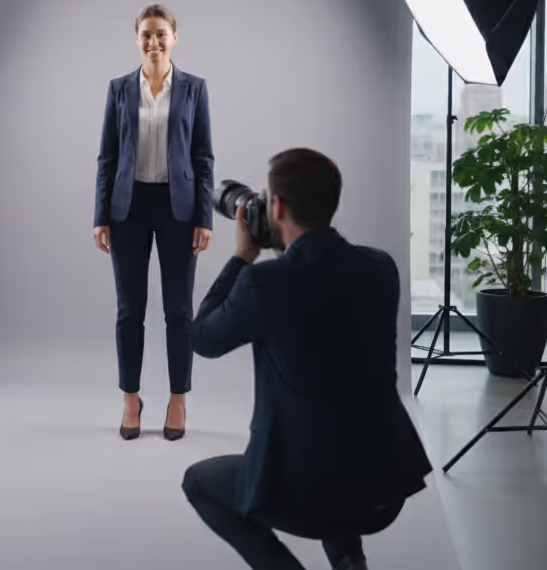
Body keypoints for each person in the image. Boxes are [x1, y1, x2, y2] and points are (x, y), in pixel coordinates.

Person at [182, 149, 432, 570]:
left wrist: (242, 257)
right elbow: (316, 291)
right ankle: (350, 563)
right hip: (383, 487)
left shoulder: (262, 284)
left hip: (309, 496)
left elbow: (203, 337)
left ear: (276, 206)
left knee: (200, 482)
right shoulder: (380, 268)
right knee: (331, 433)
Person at [93, 3, 214, 441]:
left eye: (161, 33)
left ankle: (178, 399)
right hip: (128, 209)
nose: (154, 41)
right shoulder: (119, 89)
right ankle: (131, 399)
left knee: (179, 312)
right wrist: (100, 215)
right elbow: (107, 156)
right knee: (130, 312)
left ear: (175, 36)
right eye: (146, 34)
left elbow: (203, 157)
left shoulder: (195, 89)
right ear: (137, 38)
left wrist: (205, 217)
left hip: (178, 210)